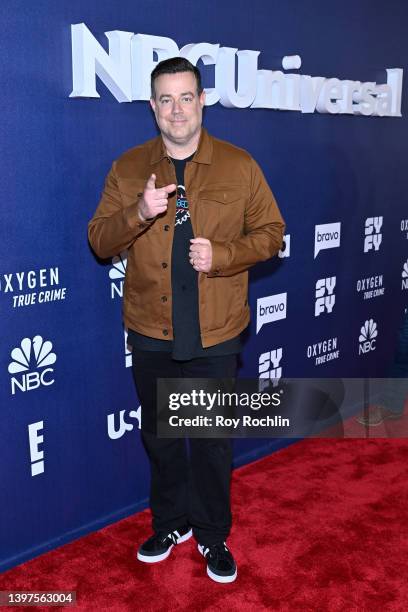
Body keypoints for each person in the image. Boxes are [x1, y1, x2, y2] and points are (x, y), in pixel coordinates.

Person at [88, 57, 285, 583]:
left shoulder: (239, 165)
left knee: (212, 440)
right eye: (166, 100)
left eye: (186, 97)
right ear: (153, 107)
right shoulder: (129, 167)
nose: (177, 110)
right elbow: (99, 241)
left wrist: (221, 256)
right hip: (150, 329)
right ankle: (170, 522)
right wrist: (139, 211)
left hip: (216, 330)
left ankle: (212, 534)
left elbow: (272, 233)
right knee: (162, 434)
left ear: (202, 100)